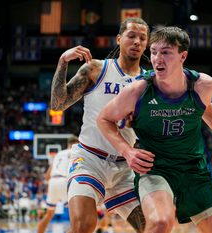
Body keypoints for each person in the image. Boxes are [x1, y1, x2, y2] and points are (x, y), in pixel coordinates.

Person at [98, 26, 212, 233]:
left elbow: (206, 107)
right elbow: (103, 119)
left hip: (193, 172)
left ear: (183, 56)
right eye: (154, 52)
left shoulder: (203, 85)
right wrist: (127, 151)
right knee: (161, 222)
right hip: (154, 169)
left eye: (165, 52)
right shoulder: (137, 91)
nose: (157, 59)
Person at [50, 17, 149, 233]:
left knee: (153, 226)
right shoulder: (96, 69)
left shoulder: (148, 82)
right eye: (131, 36)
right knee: (84, 226)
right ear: (119, 39)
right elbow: (58, 104)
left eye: (142, 38)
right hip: (90, 160)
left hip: (125, 168)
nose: (137, 42)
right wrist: (63, 62)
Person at [37, 135, 79, 233]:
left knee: (48, 215)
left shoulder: (58, 154)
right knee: (75, 218)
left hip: (53, 181)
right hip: (63, 181)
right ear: (77, 143)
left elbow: (47, 176)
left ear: (68, 144)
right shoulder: (76, 152)